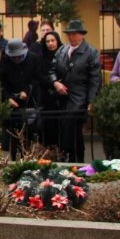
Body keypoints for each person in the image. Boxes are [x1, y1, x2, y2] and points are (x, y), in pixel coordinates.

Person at [46, 20, 101, 162]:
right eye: (69, 34)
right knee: (63, 129)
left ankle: (77, 159)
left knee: (73, 129)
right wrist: (55, 83)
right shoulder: (62, 50)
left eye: (75, 34)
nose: (71, 37)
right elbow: (52, 70)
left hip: (79, 98)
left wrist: (91, 101)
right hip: (61, 98)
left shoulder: (91, 52)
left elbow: (95, 79)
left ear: (82, 35)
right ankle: (66, 157)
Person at [0, 38, 43, 156]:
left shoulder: (33, 59)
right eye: (13, 57)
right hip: (11, 102)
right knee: (12, 135)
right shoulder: (5, 60)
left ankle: (27, 156)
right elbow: (1, 82)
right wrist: (7, 98)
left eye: (18, 57)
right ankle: (13, 157)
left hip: (28, 102)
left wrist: (26, 91)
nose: (16, 60)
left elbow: (36, 79)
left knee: (28, 135)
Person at [36, 30, 64, 149]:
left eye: (53, 40)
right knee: (47, 129)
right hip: (46, 98)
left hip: (61, 96)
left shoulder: (64, 55)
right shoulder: (41, 58)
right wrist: (52, 83)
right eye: (48, 41)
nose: (50, 43)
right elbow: (39, 75)